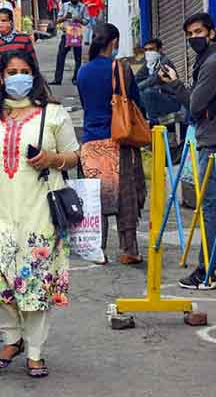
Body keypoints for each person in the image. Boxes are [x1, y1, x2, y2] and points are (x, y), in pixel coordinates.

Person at [0, 50, 79, 378]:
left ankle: (35, 350)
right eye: (11, 71)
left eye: (24, 71)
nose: (18, 77)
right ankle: (12, 338)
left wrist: (53, 159)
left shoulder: (53, 115)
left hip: (39, 214)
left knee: (35, 284)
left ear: (35, 76)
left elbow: (75, 156)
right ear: (0, 78)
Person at [158, 12, 216, 290]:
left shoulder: (214, 64)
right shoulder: (210, 61)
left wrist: (174, 84)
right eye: (189, 34)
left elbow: (195, 105)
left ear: (211, 33)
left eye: (198, 32)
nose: (193, 38)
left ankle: (205, 272)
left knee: (210, 207)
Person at [77, 23, 147, 264]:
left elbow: (86, 104)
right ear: (114, 42)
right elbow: (135, 102)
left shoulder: (83, 72)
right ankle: (129, 249)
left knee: (97, 196)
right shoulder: (122, 69)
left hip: (90, 141)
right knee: (125, 195)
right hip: (119, 138)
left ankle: (97, 248)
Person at [0, 9, 37, 94]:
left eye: (4, 21)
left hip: (22, 83)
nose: (0, 23)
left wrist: (36, 84)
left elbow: (34, 63)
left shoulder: (24, 39)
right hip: (0, 85)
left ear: (11, 22)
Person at [134, 38, 181, 121]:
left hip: (171, 100)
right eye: (146, 50)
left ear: (159, 50)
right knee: (136, 94)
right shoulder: (149, 64)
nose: (148, 52)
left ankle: (153, 121)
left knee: (147, 92)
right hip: (157, 99)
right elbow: (137, 78)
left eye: (151, 49)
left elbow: (154, 79)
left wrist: (135, 88)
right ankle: (142, 122)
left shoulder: (165, 62)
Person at [52, 0, 89, 85]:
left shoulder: (83, 7)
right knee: (60, 56)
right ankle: (57, 79)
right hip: (66, 34)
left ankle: (76, 78)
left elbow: (86, 21)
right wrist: (64, 18)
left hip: (77, 34)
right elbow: (58, 20)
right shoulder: (65, 6)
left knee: (78, 58)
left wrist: (79, 19)